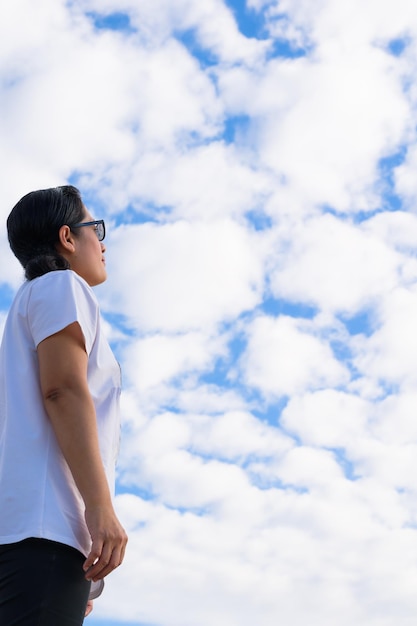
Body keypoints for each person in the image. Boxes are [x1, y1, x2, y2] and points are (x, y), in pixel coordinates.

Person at [0, 185, 128, 625]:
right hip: (43, 536)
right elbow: (63, 390)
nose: (103, 241)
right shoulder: (61, 286)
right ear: (67, 238)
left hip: (29, 536)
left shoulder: (28, 303)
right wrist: (99, 508)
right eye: (95, 228)